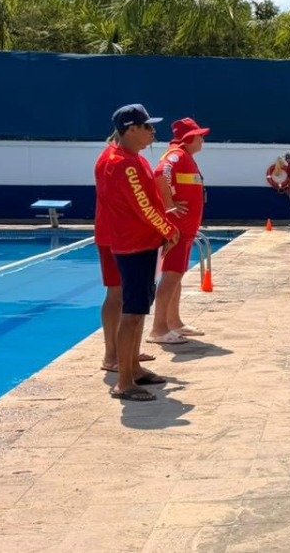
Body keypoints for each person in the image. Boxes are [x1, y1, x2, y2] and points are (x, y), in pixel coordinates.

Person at [98, 104, 179, 401]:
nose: (153, 132)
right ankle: (125, 381)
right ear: (131, 129)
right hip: (135, 244)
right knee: (131, 314)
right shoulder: (124, 163)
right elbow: (142, 206)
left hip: (140, 242)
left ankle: (133, 368)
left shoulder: (128, 158)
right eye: (148, 127)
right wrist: (168, 229)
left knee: (138, 308)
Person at [95, 133, 156, 373]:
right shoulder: (114, 160)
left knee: (134, 297)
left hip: (131, 236)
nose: (151, 134)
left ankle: (128, 352)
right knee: (118, 294)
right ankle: (112, 355)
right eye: (146, 128)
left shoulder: (133, 158)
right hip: (115, 236)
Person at [148, 118, 210, 345]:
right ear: (189, 138)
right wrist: (168, 204)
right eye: (200, 136)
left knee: (177, 276)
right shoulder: (177, 155)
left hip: (186, 230)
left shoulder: (186, 158)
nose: (202, 140)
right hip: (178, 230)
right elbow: (160, 172)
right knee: (171, 276)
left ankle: (174, 322)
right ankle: (159, 329)